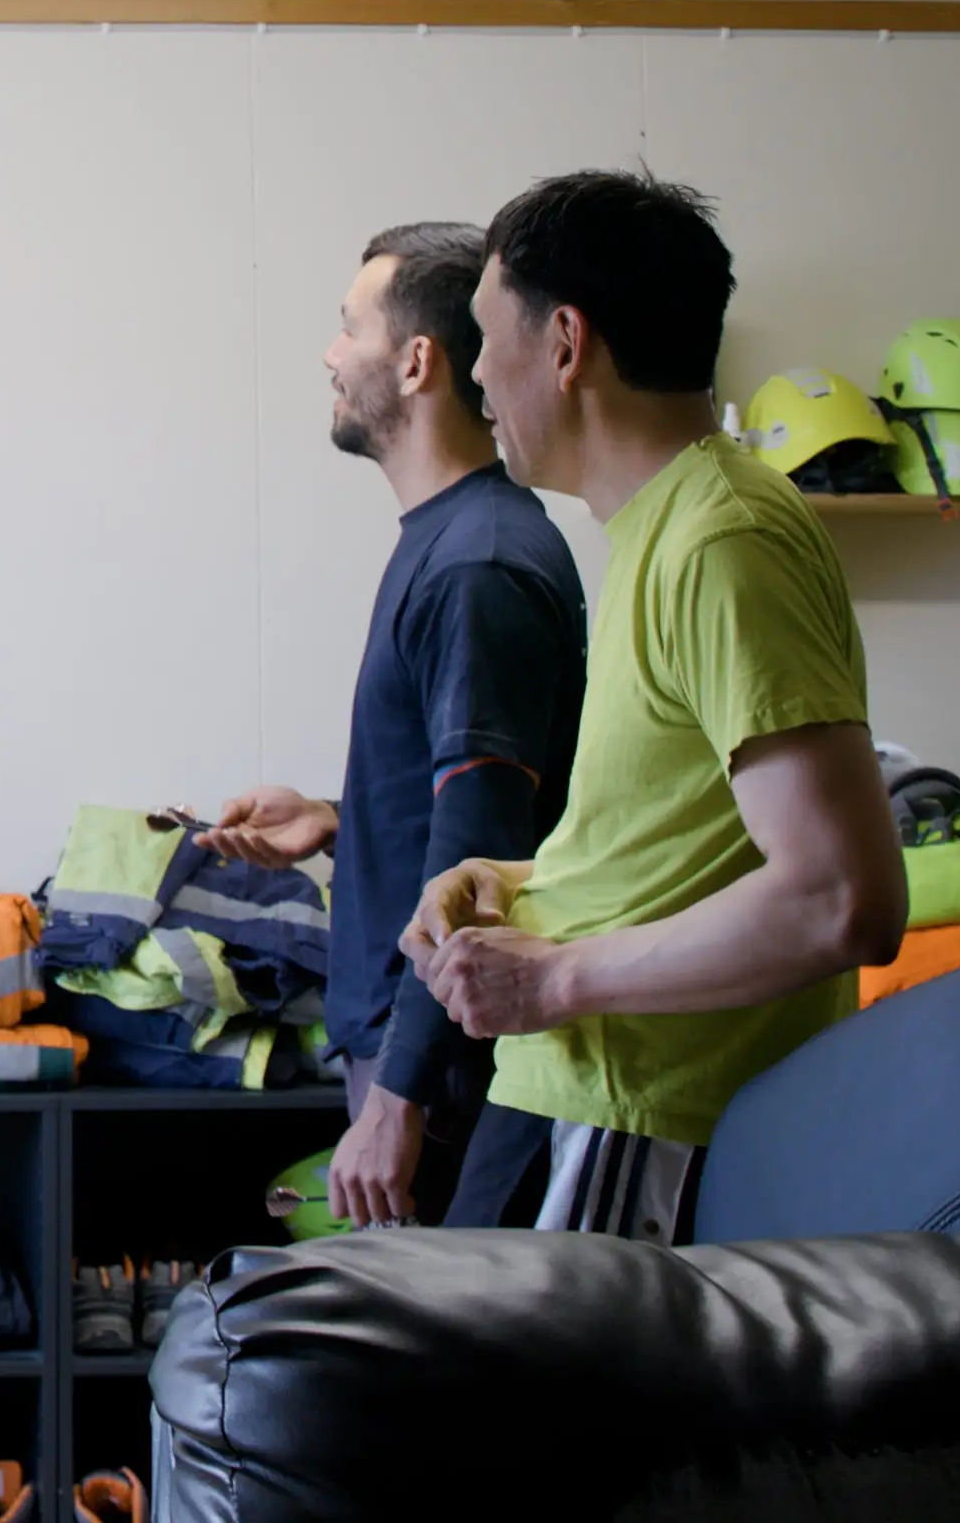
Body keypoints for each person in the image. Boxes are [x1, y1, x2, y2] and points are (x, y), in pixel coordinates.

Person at [409, 170, 906, 1241]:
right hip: (582, 1095)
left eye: (488, 337)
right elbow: (676, 848)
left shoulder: (723, 541)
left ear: (565, 341)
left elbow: (843, 900)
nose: (479, 375)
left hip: (639, 1118)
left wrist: (554, 981)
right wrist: (507, 880)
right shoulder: (657, 529)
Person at [200, 224, 586, 1226]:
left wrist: (402, 1097)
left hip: (445, 1074)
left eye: (349, 328)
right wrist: (338, 818)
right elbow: (466, 789)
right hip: (415, 1054)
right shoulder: (451, 544)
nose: (331, 355)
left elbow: (484, 850)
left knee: (438, 1373)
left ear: (417, 362)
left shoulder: (476, 567)